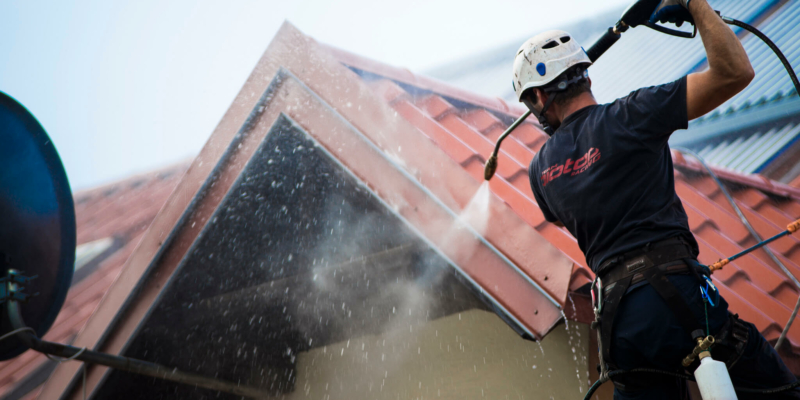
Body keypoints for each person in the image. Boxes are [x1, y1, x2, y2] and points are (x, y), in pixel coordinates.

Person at [514, 0, 800, 399]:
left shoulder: (539, 170)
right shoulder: (633, 115)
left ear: (542, 98)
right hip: (676, 293)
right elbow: (735, 72)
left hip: (619, 322)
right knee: (776, 389)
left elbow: (567, 215)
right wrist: (696, 6)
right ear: (586, 78)